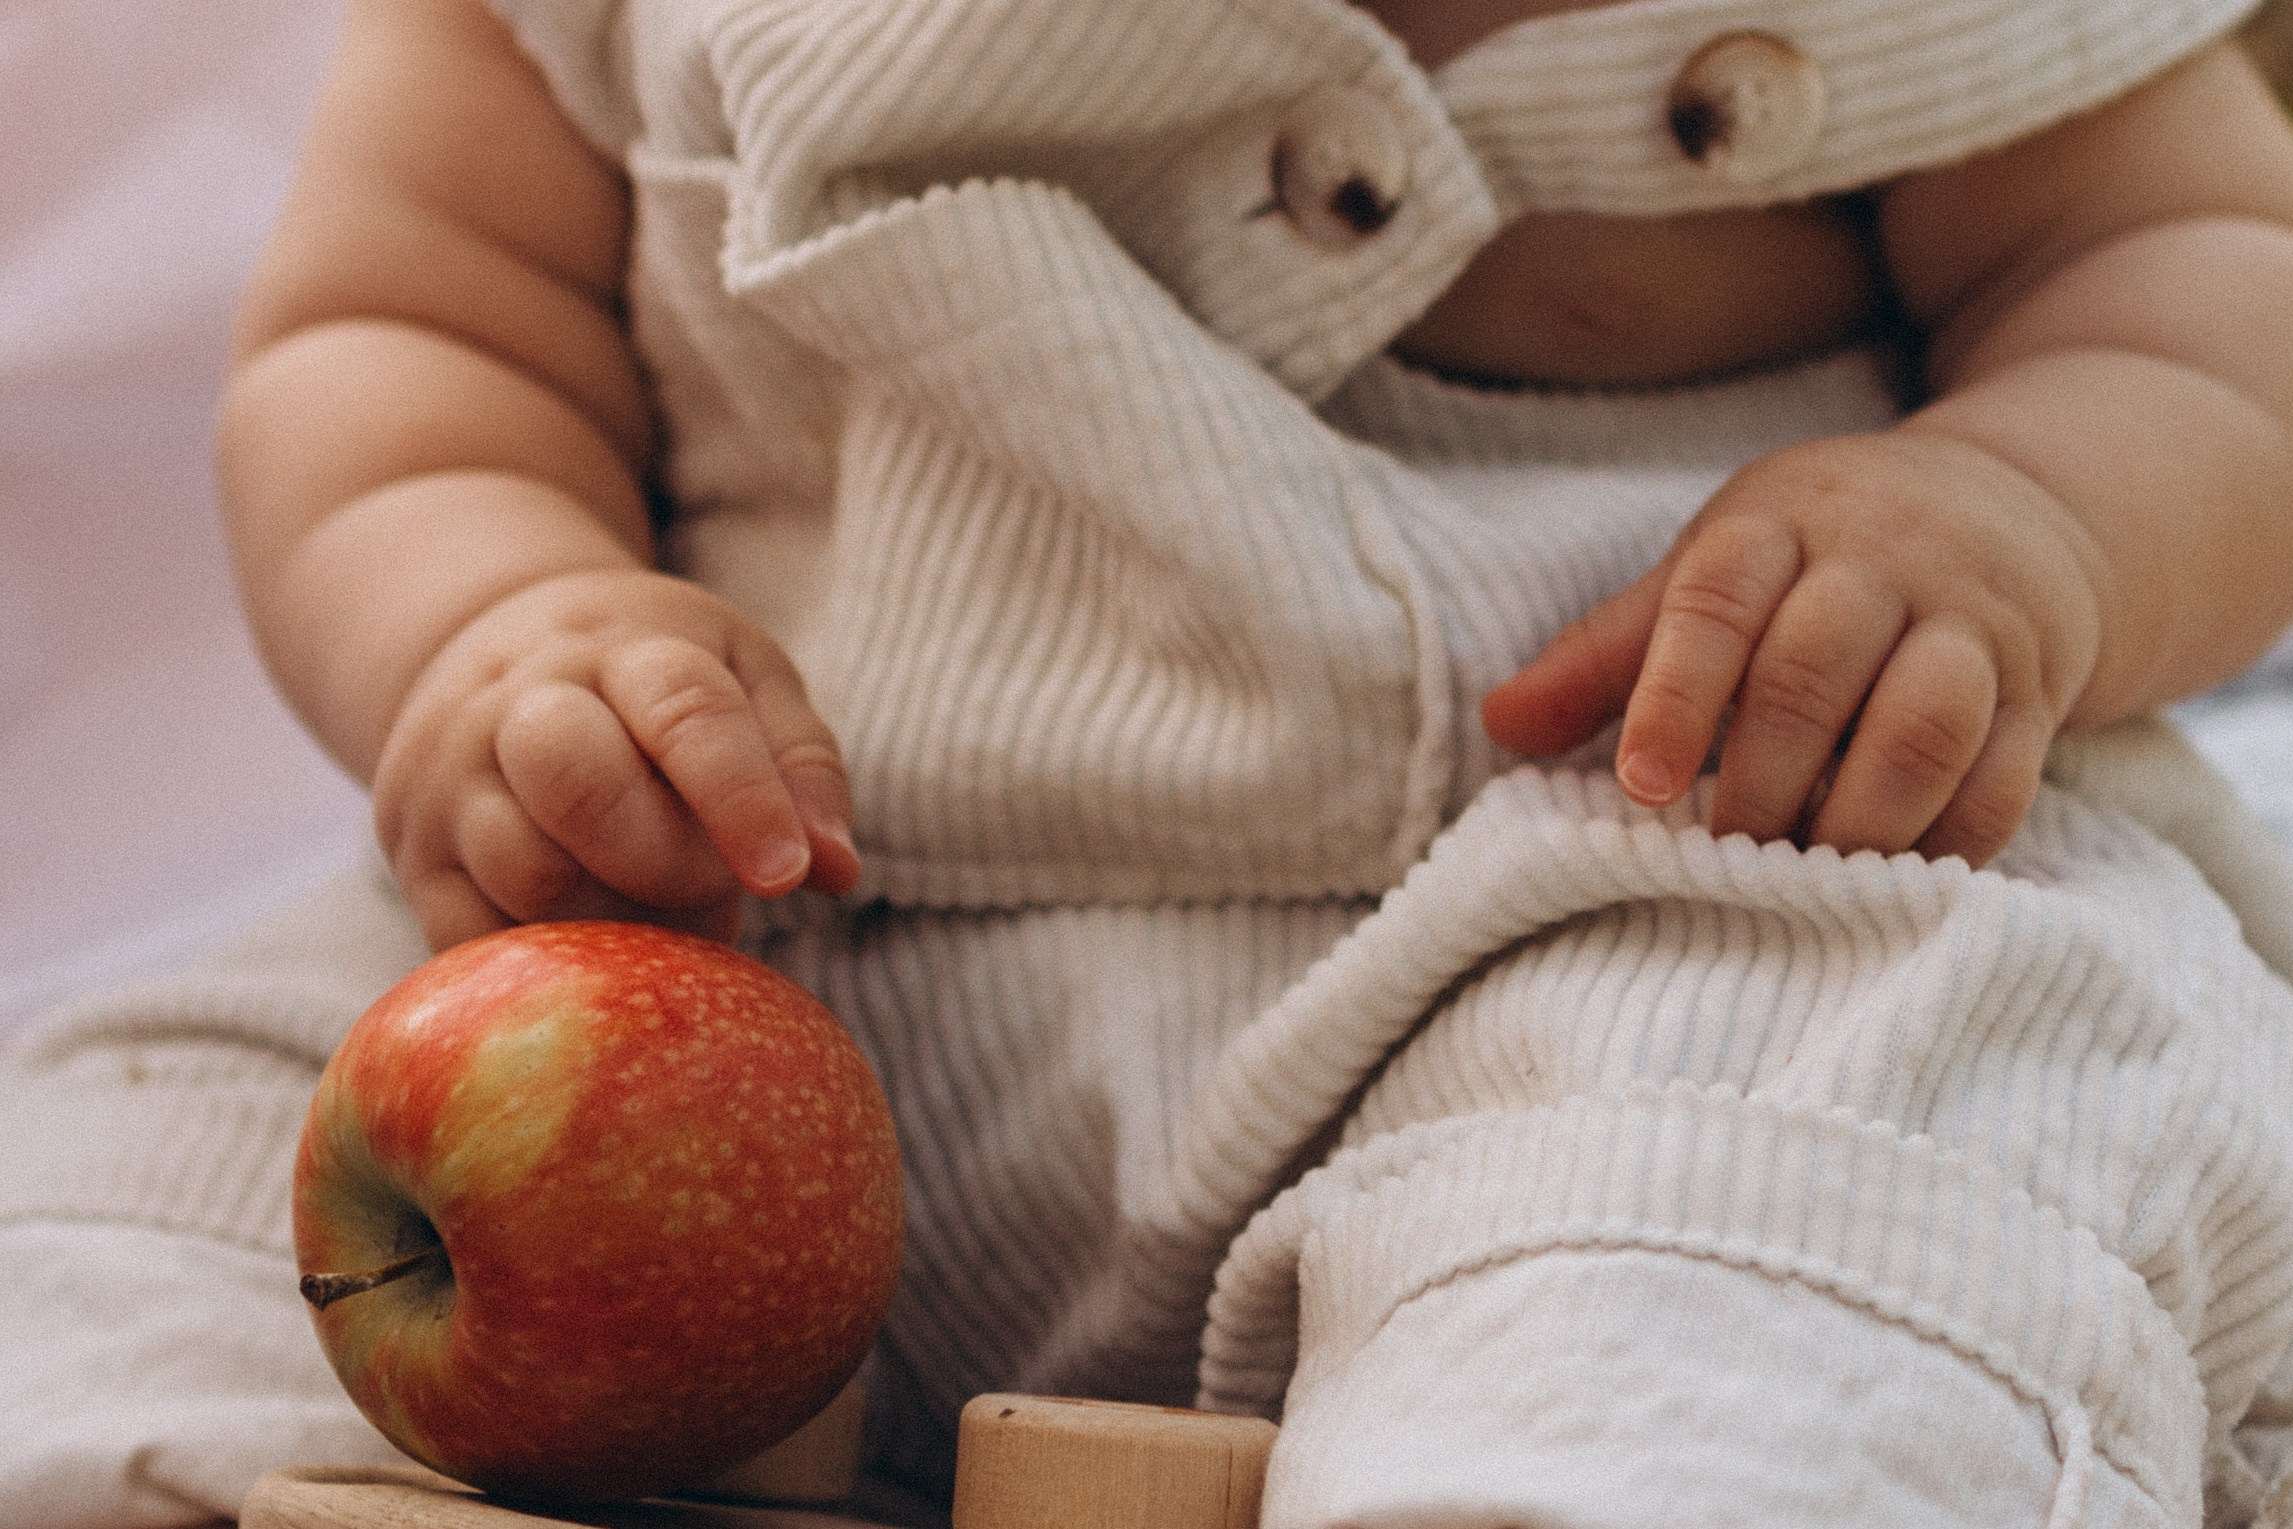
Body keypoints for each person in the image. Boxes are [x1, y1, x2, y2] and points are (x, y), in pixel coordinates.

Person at [10, 0, 2293, 1523]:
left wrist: (2024, 516)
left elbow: (2200, 285)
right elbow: (411, 330)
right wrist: (503, 632)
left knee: (1863, 1100)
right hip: (729, 928)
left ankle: (1593, 1460)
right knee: (179, 1138)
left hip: (1605, 897)